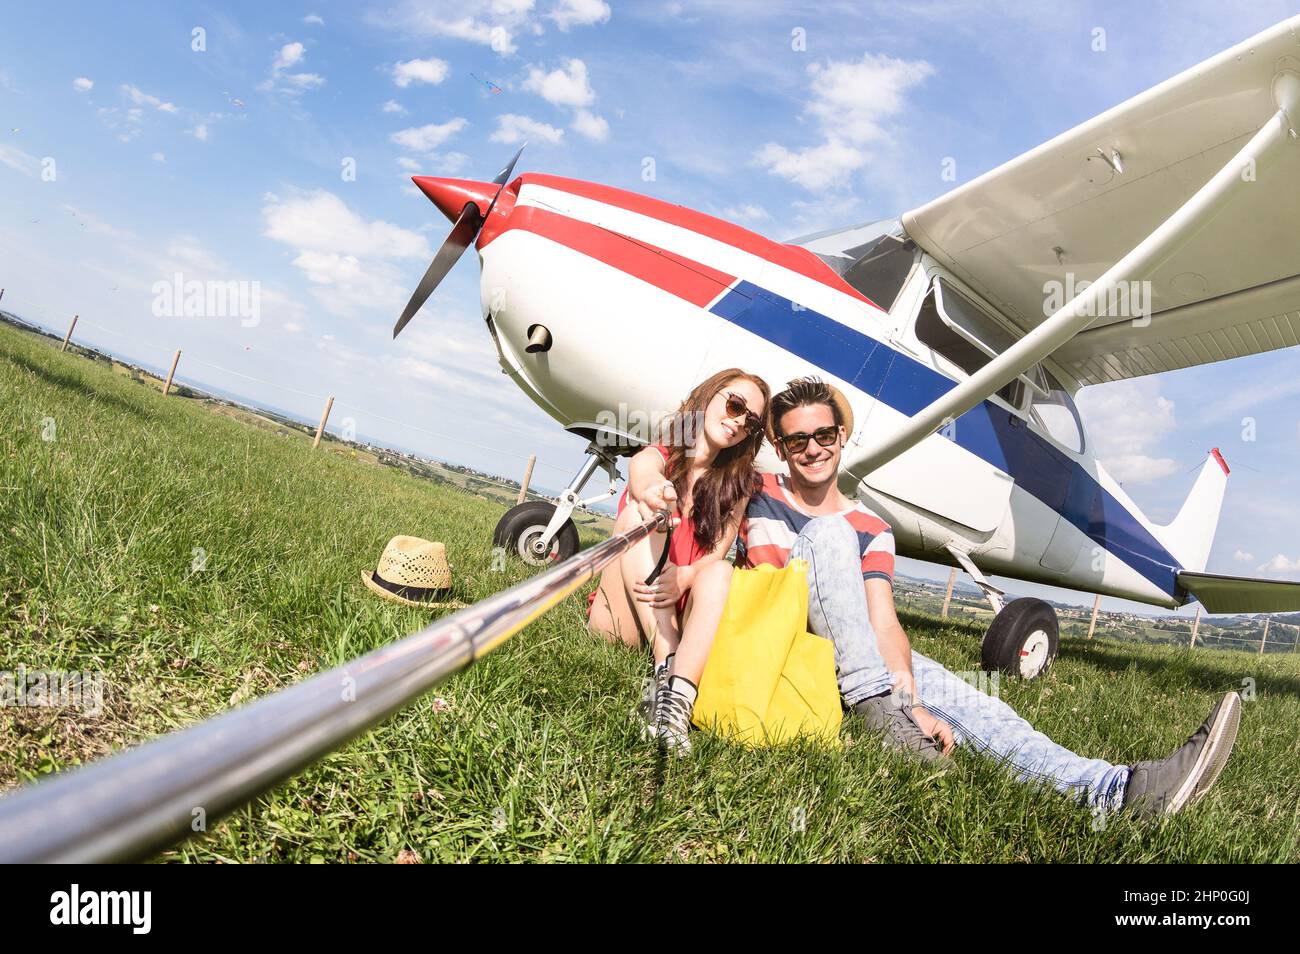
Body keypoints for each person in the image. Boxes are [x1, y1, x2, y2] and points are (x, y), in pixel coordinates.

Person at [736, 376, 1241, 817]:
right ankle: (880, 711)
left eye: (823, 434)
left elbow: (883, 623)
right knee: (828, 535)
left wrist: (911, 698)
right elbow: (681, 466)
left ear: (840, 436)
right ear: (779, 448)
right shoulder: (753, 491)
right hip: (781, 647)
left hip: (853, 657)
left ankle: (1116, 790)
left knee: (978, 703)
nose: (813, 448)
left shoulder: (871, 528)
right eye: (797, 439)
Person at [588, 368, 769, 753]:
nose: (738, 422)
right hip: (625, 618)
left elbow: (718, 553)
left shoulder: (738, 484)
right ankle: (667, 657)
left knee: (720, 570)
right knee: (636, 516)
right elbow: (644, 475)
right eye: (735, 405)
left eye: (751, 421)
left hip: (682, 609)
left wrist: (685, 576)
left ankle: (675, 700)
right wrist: (657, 493)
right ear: (708, 397)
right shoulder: (659, 454)